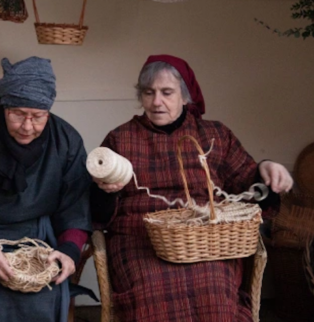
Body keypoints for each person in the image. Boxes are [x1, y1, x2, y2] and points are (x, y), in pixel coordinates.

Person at [91, 54, 294, 322]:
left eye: (167, 92)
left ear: (185, 96)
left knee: (213, 289)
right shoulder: (121, 139)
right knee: (151, 291)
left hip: (205, 241)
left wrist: (267, 170)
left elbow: (249, 187)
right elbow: (99, 212)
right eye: (149, 92)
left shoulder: (214, 135)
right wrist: (105, 190)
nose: (156, 102)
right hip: (139, 238)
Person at [0, 56, 92, 322]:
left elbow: (75, 206)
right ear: (4, 106)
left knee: (43, 291)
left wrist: (70, 249)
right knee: (0, 292)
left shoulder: (66, 140)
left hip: (41, 241)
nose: (27, 126)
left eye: (38, 117)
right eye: (18, 114)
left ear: (48, 112)